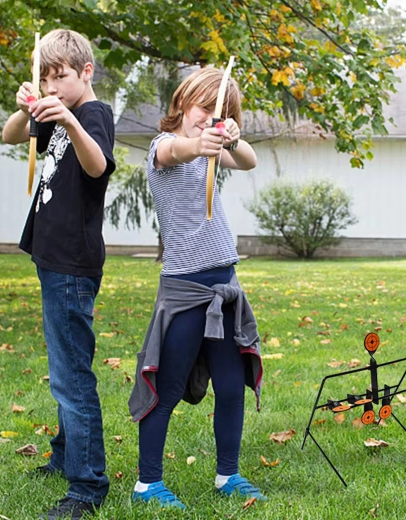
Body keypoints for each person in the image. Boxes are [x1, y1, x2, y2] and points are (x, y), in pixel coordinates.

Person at [128, 66, 265, 510]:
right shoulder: (163, 148)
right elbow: (175, 150)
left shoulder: (213, 149)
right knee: (167, 389)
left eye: (220, 112)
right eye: (203, 108)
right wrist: (200, 142)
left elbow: (249, 161)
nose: (210, 118)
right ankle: (148, 484)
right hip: (185, 289)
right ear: (182, 104)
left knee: (230, 386)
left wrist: (232, 139)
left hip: (224, 286)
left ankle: (228, 475)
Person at [2, 29, 115, 520]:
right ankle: (65, 456)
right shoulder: (54, 110)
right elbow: (10, 135)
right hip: (53, 259)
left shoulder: (92, 114)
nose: (51, 87)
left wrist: (68, 118)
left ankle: (87, 486)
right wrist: (26, 107)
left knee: (72, 378)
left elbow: (97, 167)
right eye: (44, 79)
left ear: (86, 72)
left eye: (60, 77)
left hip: (72, 263)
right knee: (68, 364)